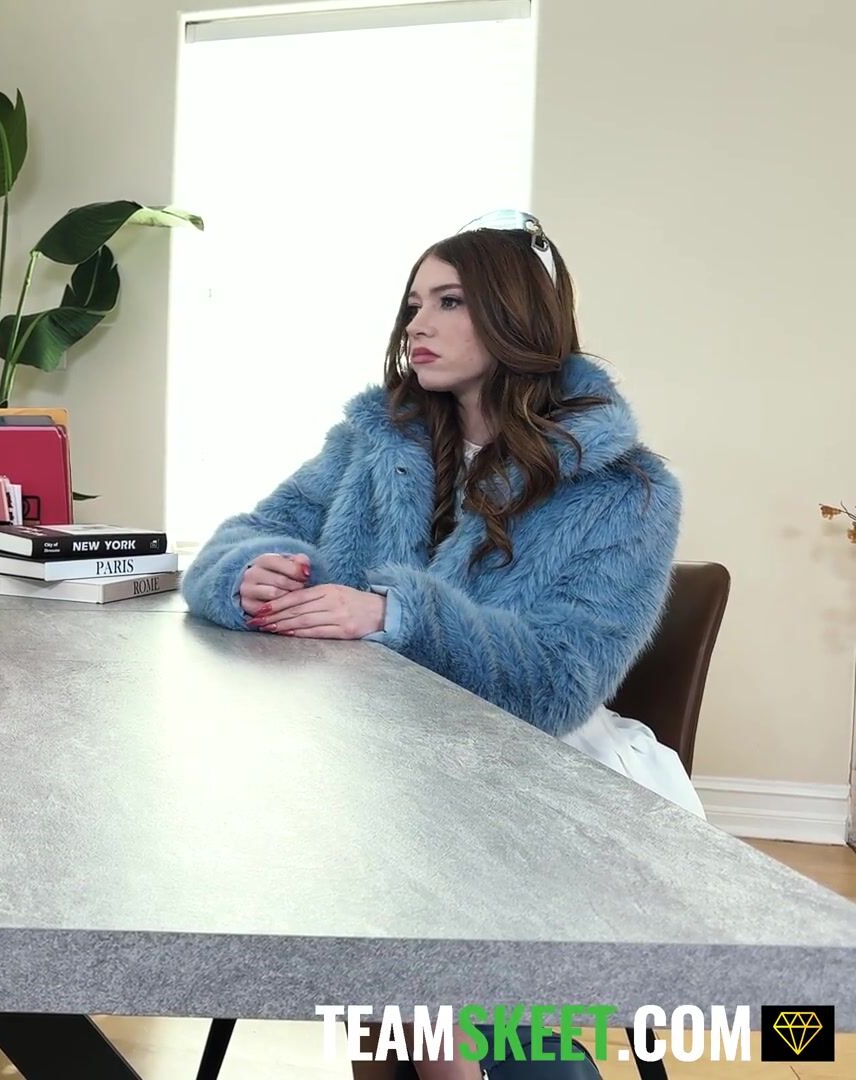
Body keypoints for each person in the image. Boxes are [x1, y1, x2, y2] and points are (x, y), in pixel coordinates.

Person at [183, 212, 685, 1079]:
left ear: (516, 316)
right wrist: (248, 571)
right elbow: (246, 533)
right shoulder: (374, 442)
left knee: (409, 935)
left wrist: (396, 615)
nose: (419, 323)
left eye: (450, 302)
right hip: (369, 758)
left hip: (532, 773)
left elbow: (559, 679)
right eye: (414, 303)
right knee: (367, 896)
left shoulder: (625, 490)